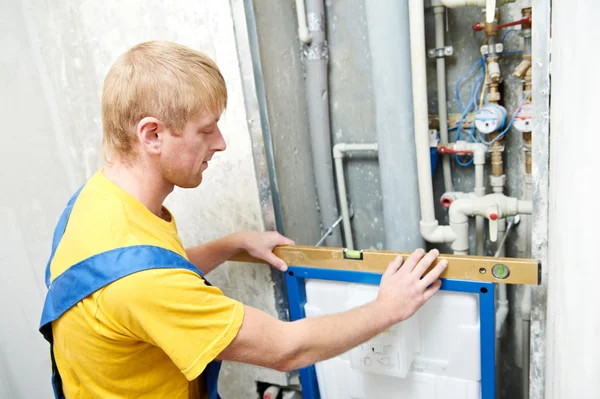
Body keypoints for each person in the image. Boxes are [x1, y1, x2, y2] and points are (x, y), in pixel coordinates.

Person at [39, 40, 448, 399]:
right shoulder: (141, 282)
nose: (220, 143)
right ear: (152, 135)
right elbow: (287, 349)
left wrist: (231, 244)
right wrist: (388, 308)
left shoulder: (97, 202)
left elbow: (149, 268)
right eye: (206, 130)